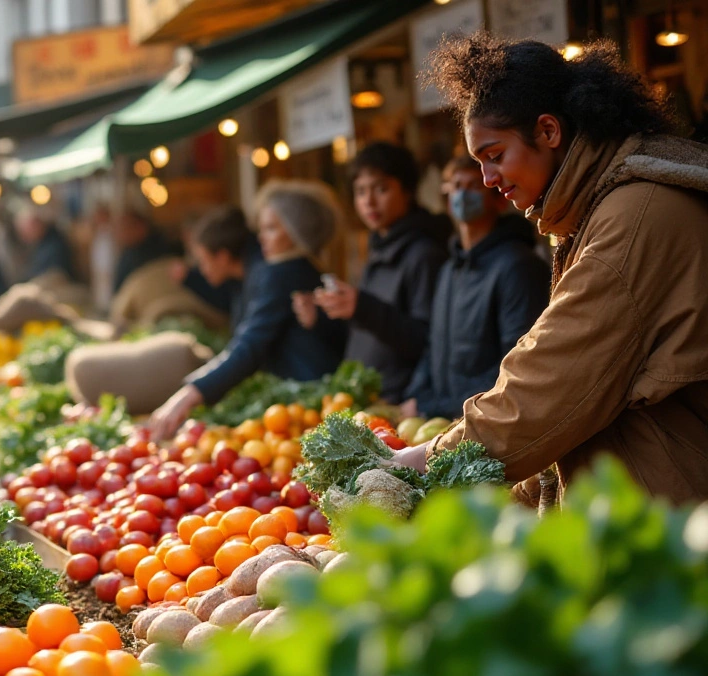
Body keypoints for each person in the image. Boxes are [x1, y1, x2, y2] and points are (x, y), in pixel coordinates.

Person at [393, 33, 708, 504]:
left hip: (672, 518)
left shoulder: (635, 215)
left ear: (548, 131)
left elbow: (554, 383)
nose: (487, 180)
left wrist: (424, 460)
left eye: (495, 156)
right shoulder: (606, 204)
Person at [151, 183, 348, 439]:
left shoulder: (282, 272)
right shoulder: (291, 268)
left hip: (309, 399)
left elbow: (250, 344)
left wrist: (191, 393)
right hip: (310, 397)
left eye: (271, 228)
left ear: (294, 230)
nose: (260, 237)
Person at [296, 142, 450, 402]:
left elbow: (428, 340)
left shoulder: (425, 255)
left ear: (408, 191)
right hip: (367, 401)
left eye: (381, 189)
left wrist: (362, 307)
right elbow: (366, 334)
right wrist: (321, 320)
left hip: (402, 404)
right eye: (360, 191)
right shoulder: (378, 249)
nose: (369, 201)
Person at [402, 155, 550, 420]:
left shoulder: (517, 266)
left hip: (490, 423)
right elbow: (434, 346)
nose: (463, 194)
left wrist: (434, 407)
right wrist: (417, 396)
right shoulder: (450, 269)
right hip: (446, 423)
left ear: (499, 199)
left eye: (473, 186)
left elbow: (516, 363)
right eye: (456, 186)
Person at [112, 203, 176, 292]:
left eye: (125, 228)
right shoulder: (128, 252)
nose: (120, 234)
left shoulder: (159, 250)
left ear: (141, 227)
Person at [14, 204, 79, 282]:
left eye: (25, 232)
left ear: (36, 225)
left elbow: (53, 274)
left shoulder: (54, 245)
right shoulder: (40, 243)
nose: (24, 237)